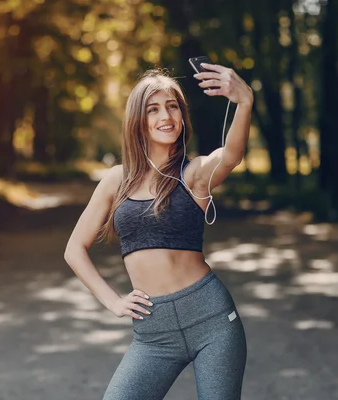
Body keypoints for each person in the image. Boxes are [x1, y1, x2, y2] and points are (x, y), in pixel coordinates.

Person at [64, 63, 253, 400]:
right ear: (138, 120)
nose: (165, 115)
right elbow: (75, 248)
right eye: (153, 109)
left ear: (182, 116)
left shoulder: (193, 174)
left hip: (211, 319)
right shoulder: (116, 181)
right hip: (153, 333)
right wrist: (113, 302)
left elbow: (232, 155)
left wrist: (244, 102)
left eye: (172, 106)